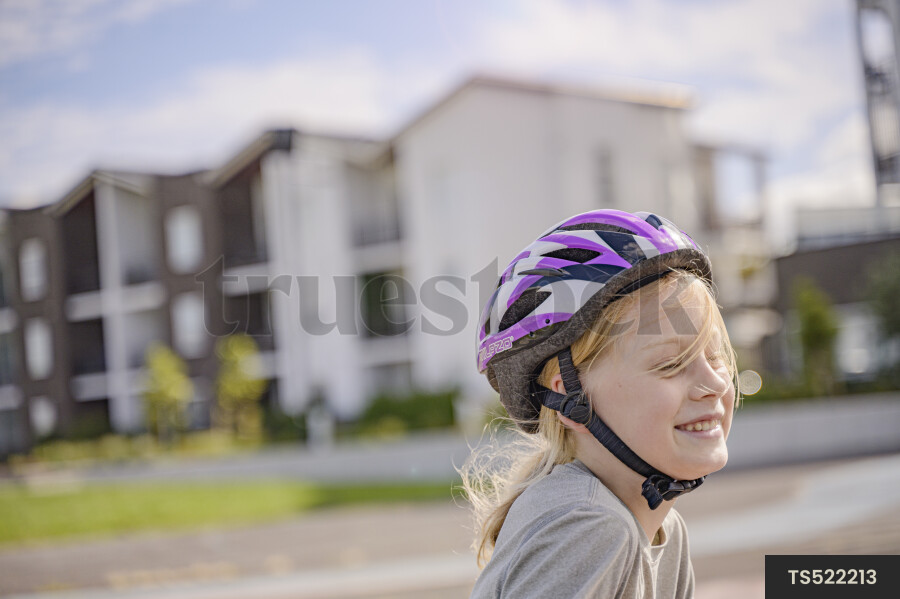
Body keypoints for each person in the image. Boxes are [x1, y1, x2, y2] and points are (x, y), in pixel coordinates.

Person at [463, 209, 739, 598]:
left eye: (714, 356)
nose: (714, 383)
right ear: (570, 396)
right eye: (670, 364)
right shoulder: (590, 526)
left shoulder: (663, 531)